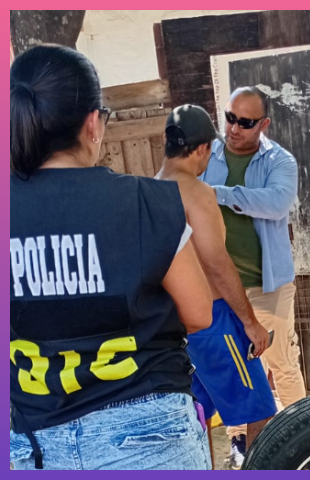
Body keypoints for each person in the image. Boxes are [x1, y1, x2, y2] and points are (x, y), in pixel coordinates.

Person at [10, 45, 214, 470]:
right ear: (92, 123)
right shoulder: (147, 203)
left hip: (32, 442)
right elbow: (198, 312)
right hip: (147, 434)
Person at [155, 104, 277, 467]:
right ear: (201, 148)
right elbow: (217, 265)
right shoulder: (197, 192)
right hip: (213, 319)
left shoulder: (146, 192)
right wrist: (250, 322)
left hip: (171, 325)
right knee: (260, 410)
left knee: (195, 417)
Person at [200, 87, 306, 469]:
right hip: (218, 287)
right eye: (230, 118)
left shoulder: (280, 160)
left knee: (282, 363)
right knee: (233, 366)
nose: (234, 128)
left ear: (264, 124)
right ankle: (238, 441)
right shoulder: (208, 153)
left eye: (245, 122)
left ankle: (303, 435)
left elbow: (276, 203)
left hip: (267, 284)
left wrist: (216, 194)